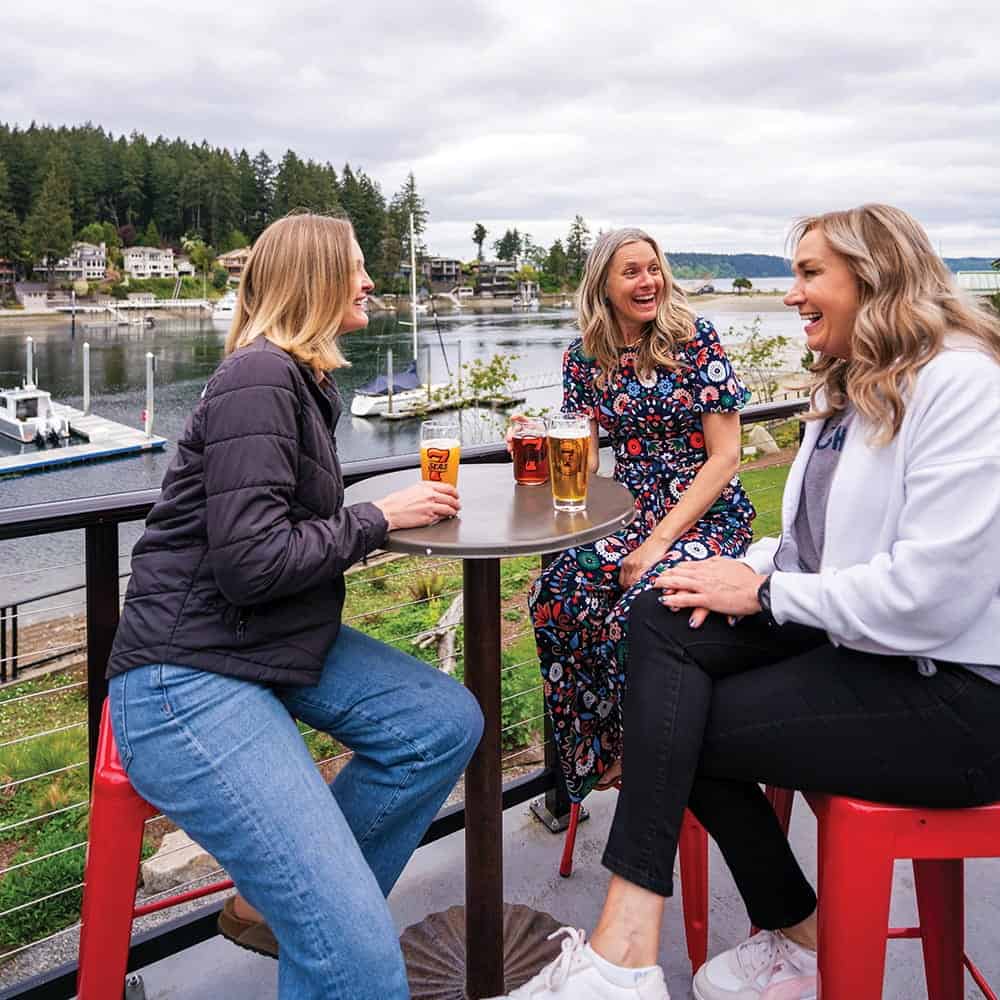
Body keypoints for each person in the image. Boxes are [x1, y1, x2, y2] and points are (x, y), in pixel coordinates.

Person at [491, 203, 1000, 1000]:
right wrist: (741, 571)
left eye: (806, 274)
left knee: (673, 728)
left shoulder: (961, 384)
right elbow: (816, 544)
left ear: (874, 278)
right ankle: (778, 933)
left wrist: (762, 590)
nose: (790, 294)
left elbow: (930, 599)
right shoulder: (850, 385)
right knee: (664, 614)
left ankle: (629, 953)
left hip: (956, 695)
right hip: (866, 644)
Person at [106, 214, 484, 1000]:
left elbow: (270, 535)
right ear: (314, 280)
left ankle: (288, 910)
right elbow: (251, 563)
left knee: (442, 723)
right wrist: (379, 519)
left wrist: (372, 515)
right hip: (185, 675)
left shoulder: (302, 380)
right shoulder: (259, 379)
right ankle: (331, 932)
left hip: (258, 639)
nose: (370, 281)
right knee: (362, 963)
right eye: (355, 267)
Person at [525, 228, 754, 802]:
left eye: (653, 268)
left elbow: (726, 458)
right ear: (603, 283)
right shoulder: (584, 356)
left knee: (640, 608)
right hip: (627, 514)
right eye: (631, 272)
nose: (648, 281)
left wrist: (655, 543)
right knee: (556, 592)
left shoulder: (694, 338)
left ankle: (647, 749)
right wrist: (530, 443)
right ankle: (595, 749)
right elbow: (585, 451)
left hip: (702, 514)